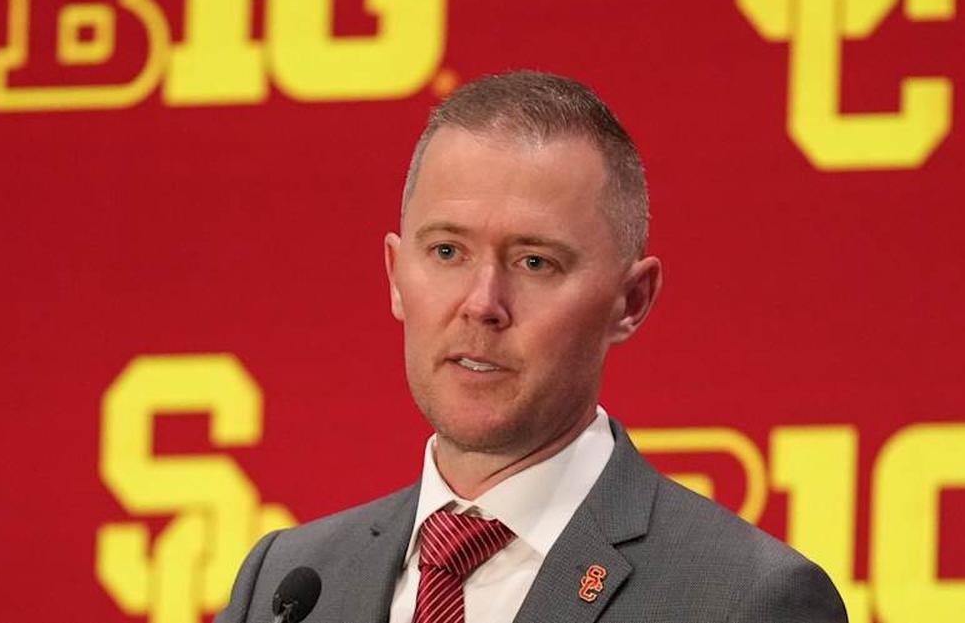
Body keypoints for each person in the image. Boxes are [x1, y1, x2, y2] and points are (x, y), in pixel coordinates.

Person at [215, 71, 848, 623]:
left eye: (536, 262)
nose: (482, 302)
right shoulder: (287, 585)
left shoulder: (745, 600)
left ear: (631, 301)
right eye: (446, 252)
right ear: (395, 275)